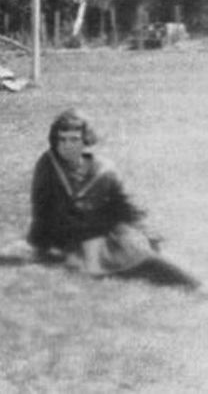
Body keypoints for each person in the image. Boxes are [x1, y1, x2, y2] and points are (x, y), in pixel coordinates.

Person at [27, 109, 200, 289]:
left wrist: (148, 234)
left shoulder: (103, 169)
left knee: (147, 256)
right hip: (76, 241)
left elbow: (126, 207)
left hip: (109, 233)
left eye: (74, 139)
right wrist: (42, 245)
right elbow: (41, 209)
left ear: (86, 141)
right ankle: (191, 283)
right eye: (61, 140)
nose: (66, 145)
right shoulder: (48, 166)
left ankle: (195, 283)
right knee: (141, 263)